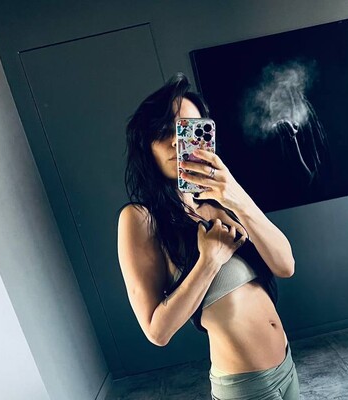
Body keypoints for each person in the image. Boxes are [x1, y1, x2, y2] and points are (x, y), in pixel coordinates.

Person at [116, 72, 300, 399]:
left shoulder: (221, 202)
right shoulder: (141, 219)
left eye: (188, 130)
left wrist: (235, 196)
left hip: (286, 366)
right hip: (245, 388)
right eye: (165, 131)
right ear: (146, 144)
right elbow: (157, 331)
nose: (177, 142)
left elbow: (285, 266)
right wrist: (210, 261)